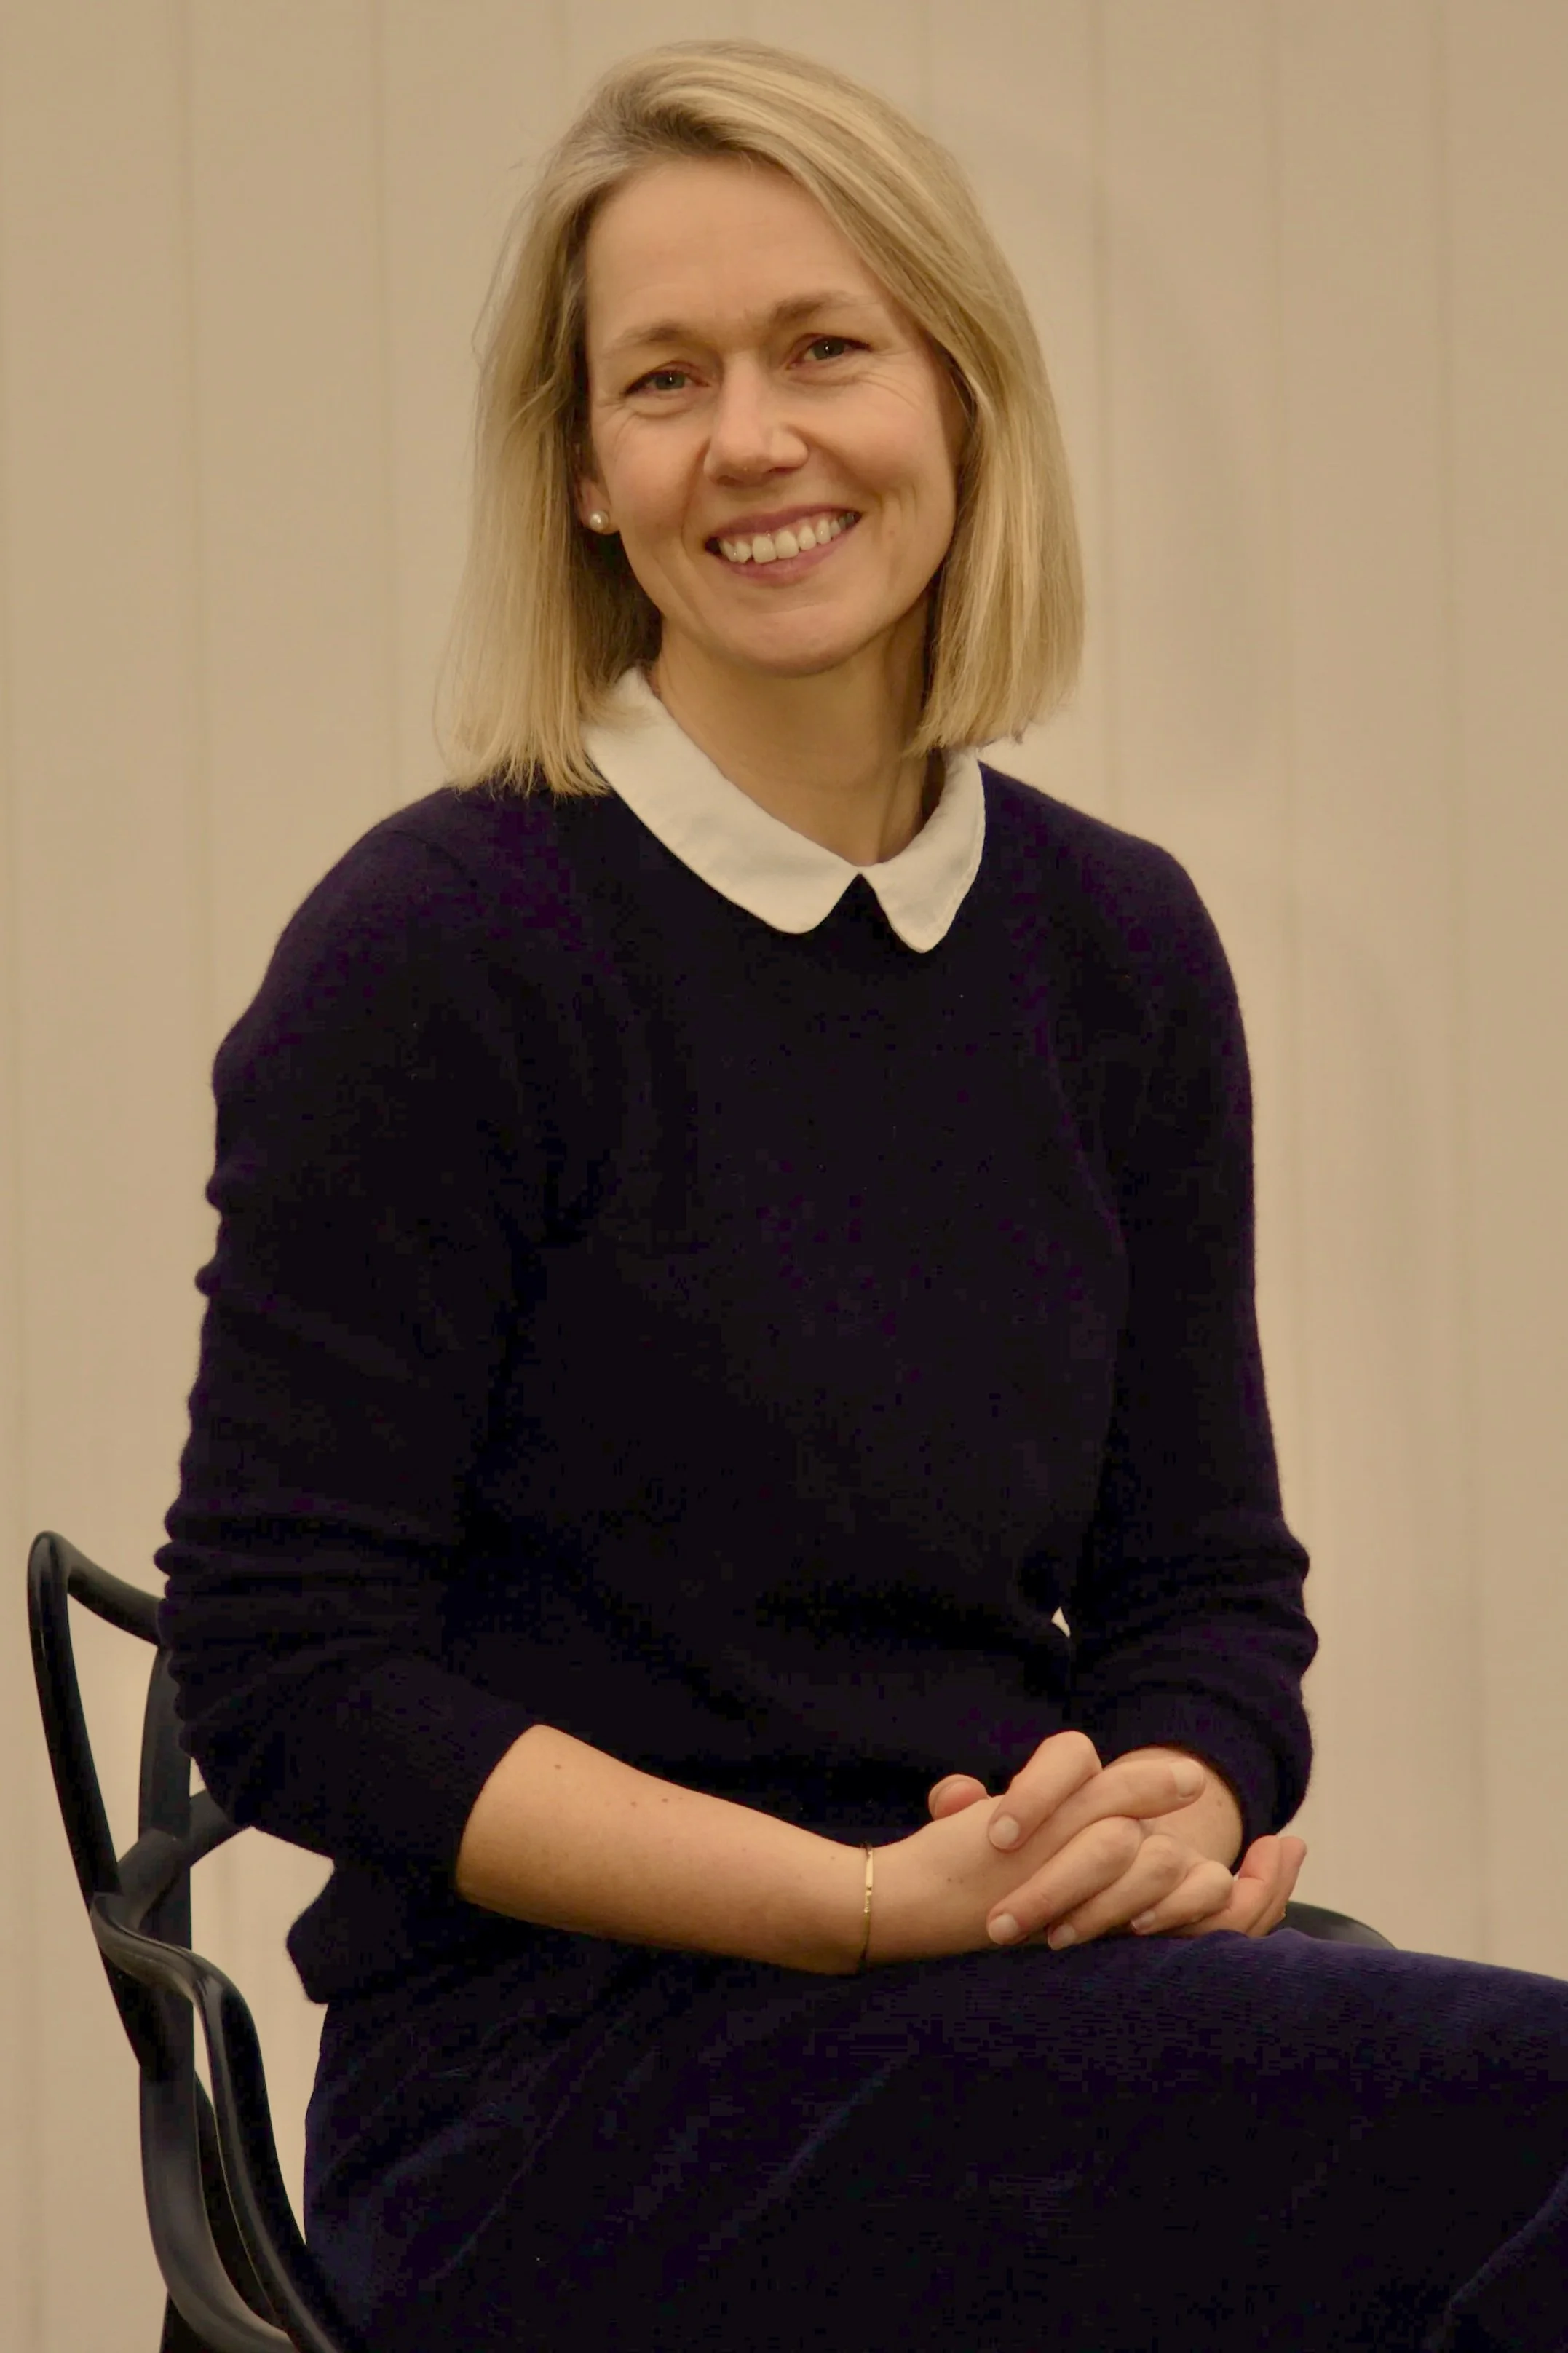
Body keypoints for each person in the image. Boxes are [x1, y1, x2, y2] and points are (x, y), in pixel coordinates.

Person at [159, 38, 1568, 2353]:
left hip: (1000, 2008)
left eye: (825, 348)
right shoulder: (439, 956)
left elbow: (1205, 1588)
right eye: (666, 379)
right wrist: (854, 1906)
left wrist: (1163, 1805)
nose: (753, 438)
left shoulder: (1117, 956)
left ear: (962, 403)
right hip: (547, 2107)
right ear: (586, 473)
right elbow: (290, 1673)